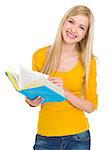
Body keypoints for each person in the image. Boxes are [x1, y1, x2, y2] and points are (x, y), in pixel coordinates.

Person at [26, 5, 98, 150]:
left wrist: (65, 92)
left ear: (86, 34)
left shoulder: (88, 61)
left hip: (78, 138)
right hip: (45, 137)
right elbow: (34, 95)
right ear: (63, 22)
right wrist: (31, 101)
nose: (73, 30)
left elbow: (91, 106)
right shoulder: (40, 56)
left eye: (81, 27)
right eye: (71, 22)